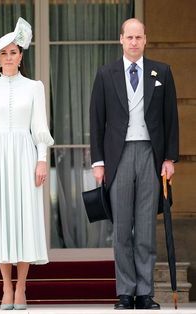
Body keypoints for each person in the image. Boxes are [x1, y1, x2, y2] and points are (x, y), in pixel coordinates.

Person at [90, 18, 179, 310]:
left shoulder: (162, 72)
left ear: (145, 39)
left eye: (139, 37)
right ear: (121, 39)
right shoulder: (106, 74)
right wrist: (98, 162)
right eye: (129, 37)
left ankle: (145, 293)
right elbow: (97, 121)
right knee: (121, 229)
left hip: (150, 156)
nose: (134, 42)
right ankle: (125, 293)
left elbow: (170, 119)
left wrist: (168, 158)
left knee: (145, 229)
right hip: (119, 156)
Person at [0, 17, 54, 310]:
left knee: (25, 220)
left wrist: (42, 160)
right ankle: (6, 287)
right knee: (3, 221)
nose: (9, 57)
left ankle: (22, 289)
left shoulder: (34, 87)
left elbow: (40, 128)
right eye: (4, 53)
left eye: (14, 52)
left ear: (21, 56)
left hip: (25, 157)